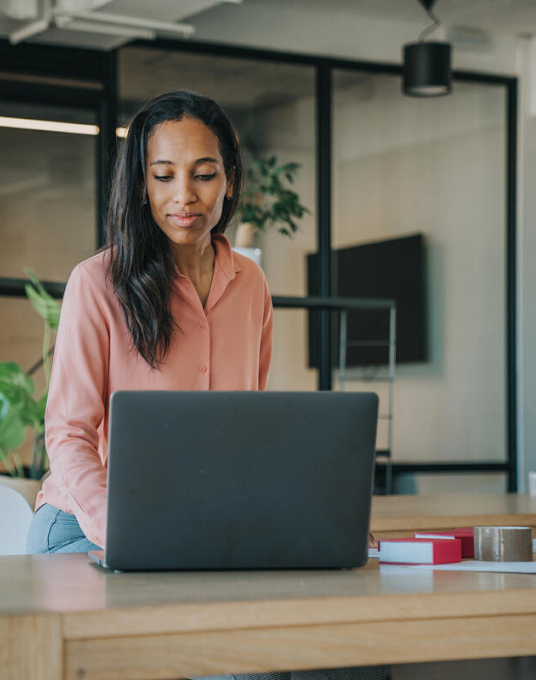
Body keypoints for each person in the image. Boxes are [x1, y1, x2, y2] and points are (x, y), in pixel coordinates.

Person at [26, 89, 385, 680]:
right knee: (228, 659)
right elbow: (67, 434)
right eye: (163, 176)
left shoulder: (252, 285)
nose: (183, 196)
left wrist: (314, 515)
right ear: (142, 184)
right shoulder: (98, 283)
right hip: (86, 528)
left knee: (309, 651)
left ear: (230, 180)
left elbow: (251, 429)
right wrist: (122, 533)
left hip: (202, 529)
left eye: (203, 174)